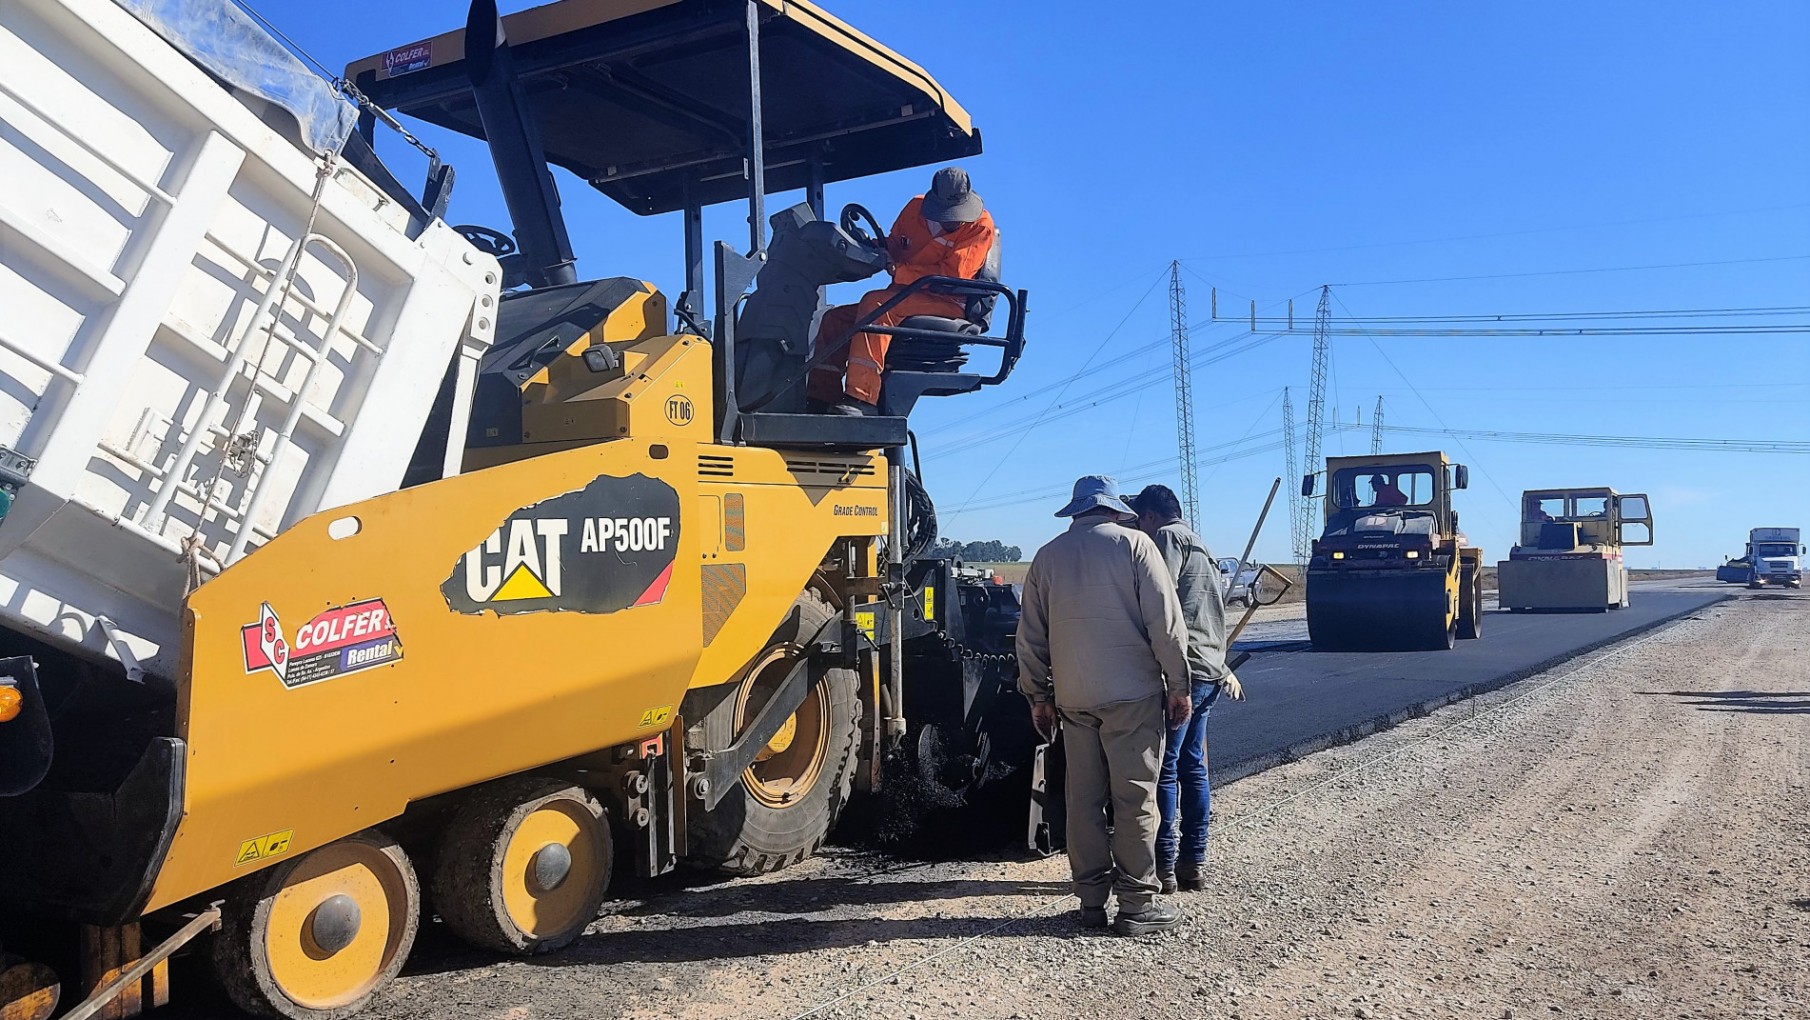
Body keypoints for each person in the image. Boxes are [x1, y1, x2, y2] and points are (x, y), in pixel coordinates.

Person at [1017, 475, 1192, 935]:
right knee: (1134, 798)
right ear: (1115, 509)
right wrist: (1179, 684)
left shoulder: (1047, 557)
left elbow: (1030, 636)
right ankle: (1137, 905)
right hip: (1132, 696)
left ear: (1076, 511)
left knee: (1084, 801)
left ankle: (1091, 902)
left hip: (1074, 699)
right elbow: (1166, 624)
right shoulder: (1136, 547)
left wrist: (1038, 694)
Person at [806, 167, 997, 415]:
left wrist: (899, 271)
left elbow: (952, 277)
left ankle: (862, 400)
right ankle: (819, 399)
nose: (953, 220)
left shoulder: (980, 226)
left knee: (876, 305)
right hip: (906, 294)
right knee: (835, 320)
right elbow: (897, 243)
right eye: (947, 215)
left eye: (957, 215)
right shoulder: (914, 209)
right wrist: (874, 248)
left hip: (948, 300)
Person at [1131, 485, 1246, 895]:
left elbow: (1158, 599)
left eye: (1138, 521)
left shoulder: (1166, 539)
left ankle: (1163, 865)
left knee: (1165, 767)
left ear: (1149, 516)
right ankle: (1193, 862)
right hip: (1213, 667)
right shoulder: (1202, 544)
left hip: (1187, 672)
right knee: (1193, 768)